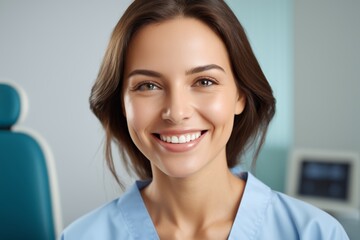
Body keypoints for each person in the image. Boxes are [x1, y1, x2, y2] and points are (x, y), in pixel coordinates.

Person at [61, 0, 349, 239]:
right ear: (122, 103)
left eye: (204, 81)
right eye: (148, 86)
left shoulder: (316, 233)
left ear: (240, 96)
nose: (176, 112)